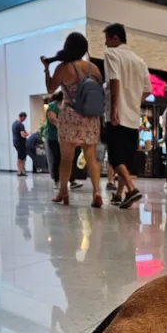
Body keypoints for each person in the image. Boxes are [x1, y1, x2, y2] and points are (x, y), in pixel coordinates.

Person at [41, 31, 103, 207]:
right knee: (91, 157)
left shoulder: (63, 68)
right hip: (90, 117)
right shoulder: (94, 68)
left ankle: (63, 192)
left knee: (66, 158)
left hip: (70, 116)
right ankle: (97, 192)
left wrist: (46, 69)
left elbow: (50, 89)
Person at [103, 23, 151, 208]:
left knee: (115, 158)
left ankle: (131, 189)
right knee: (125, 158)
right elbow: (147, 90)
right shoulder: (139, 61)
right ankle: (118, 194)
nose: (105, 44)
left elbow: (114, 79)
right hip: (132, 116)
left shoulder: (111, 54)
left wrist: (115, 107)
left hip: (117, 115)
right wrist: (132, 101)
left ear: (115, 38)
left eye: (107, 39)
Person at [44, 92, 82, 190]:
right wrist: (62, 126)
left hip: (66, 137)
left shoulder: (69, 106)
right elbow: (52, 119)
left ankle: (72, 180)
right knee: (57, 158)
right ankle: (57, 181)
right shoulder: (52, 106)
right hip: (53, 137)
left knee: (69, 158)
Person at [11, 112, 28, 177]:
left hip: (15, 142)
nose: (25, 119)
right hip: (21, 143)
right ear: (22, 117)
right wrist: (28, 133)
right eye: (25, 118)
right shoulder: (20, 124)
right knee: (21, 158)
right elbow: (23, 135)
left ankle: (20, 170)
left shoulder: (14, 123)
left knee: (20, 157)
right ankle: (20, 171)